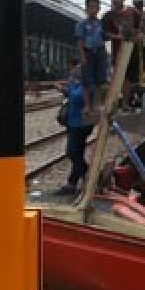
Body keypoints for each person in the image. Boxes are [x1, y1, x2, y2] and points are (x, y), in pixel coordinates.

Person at [57, 60, 95, 196]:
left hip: (80, 124)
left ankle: (87, 173)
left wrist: (69, 87)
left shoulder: (88, 84)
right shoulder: (79, 83)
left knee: (72, 152)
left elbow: (78, 98)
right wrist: (66, 89)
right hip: (74, 122)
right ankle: (72, 183)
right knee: (77, 153)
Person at [101, 0, 142, 106]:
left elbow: (141, 27)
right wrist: (117, 37)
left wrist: (137, 35)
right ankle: (119, 102)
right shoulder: (108, 16)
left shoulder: (133, 12)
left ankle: (125, 102)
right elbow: (104, 33)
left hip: (132, 50)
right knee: (120, 76)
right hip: (118, 51)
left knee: (129, 77)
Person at [75, 0, 107, 115]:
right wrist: (82, 56)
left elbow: (106, 37)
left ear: (99, 9)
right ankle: (87, 105)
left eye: (96, 7)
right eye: (91, 7)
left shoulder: (101, 24)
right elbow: (80, 41)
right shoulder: (81, 25)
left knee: (100, 80)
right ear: (86, 9)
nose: (93, 9)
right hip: (87, 52)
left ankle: (97, 104)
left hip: (100, 52)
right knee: (86, 81)